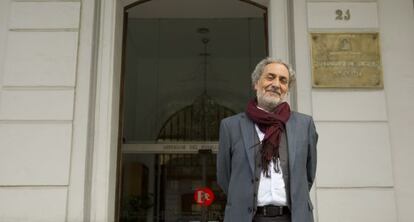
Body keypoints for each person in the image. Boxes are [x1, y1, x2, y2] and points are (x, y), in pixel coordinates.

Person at [216, 58, 318, 222]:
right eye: (270, 77)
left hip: (292, 217)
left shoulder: (304, 125)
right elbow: (224, 176)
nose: (276, 84)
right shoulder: (231, 126)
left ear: (286, 89)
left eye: (283, 80)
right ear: (256, 83)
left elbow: (308, 175)